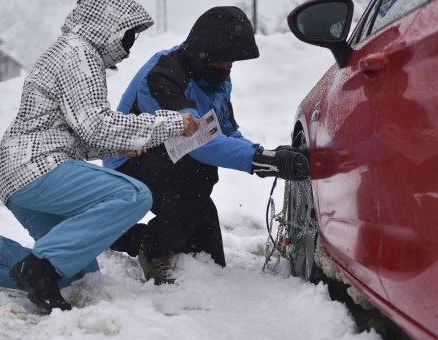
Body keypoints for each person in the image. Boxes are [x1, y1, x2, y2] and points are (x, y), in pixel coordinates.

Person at [0, 0, 200, 313]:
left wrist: (116, 146)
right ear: (110, 24)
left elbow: (72, 134)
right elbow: (95, 125)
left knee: (77, 273)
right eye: (128, 35)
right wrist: (171, 124)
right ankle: (38, 269)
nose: (130, 46)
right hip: (36, 167)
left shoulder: (68, 50)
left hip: (19, 174)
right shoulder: (80, 53)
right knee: (134, 195)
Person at [103, 6, 310, 284]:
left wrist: (270, 154)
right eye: (224, 60)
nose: (229, 66)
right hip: (129, 167)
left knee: (208, 254)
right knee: (198, 172)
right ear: (205, 51)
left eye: (232, 61)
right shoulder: (162, 75)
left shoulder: (217, 78)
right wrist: (261, 160)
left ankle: (121, 237)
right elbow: (197, 142)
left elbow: (226, 132)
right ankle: (152, 251)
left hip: (171, 165)